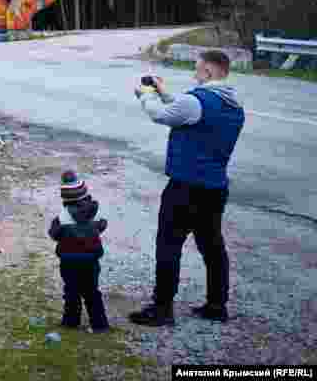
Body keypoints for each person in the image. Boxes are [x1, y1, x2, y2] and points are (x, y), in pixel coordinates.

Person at [129, 50, 245, 326]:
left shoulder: (196, 101)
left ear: (208, 71)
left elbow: (162, 115)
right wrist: (164, 92)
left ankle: (162, 309)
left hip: (186, 186)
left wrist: (146, 95)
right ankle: (217, 305)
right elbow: (188, 112)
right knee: (212, 246)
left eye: (197, 68)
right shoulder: (234, 105)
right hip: (215, 187)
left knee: (168, 245)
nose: (195, 73)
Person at [48, 169, 110, 332]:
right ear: (85, 194)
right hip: (91, 260)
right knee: (92, 292)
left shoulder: (62, 218)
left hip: (69, 261)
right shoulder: (94, 214)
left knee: (71, 292)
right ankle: (100, 325)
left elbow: (54, 234)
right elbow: (102, 225)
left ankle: (71, 322)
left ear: (65, 199)